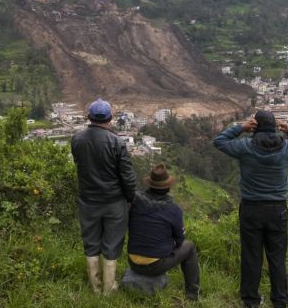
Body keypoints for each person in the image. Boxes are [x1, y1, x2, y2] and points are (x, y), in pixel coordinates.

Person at [213, 110, 288, 308]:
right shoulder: (287, 148)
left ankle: (250, 301)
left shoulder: (245, 146)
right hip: (277, 209)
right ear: (275, 126)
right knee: (277, 257)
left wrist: (241, 128)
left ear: (255, 125)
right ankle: (280, 301)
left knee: (251, 257)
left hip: (250, 208)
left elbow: (219, 140)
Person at [71, 98, 136, 295]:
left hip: (88, 201)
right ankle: (109, 289)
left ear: (89, 117)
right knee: (112, 243)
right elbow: (127, 176)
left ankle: (96, 287)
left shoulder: (77, 139)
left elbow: (79, 164)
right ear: (110, 118)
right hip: (114, 202)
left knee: (90, 242)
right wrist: (130, 198)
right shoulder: (116, 142)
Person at [127, 163, 200, 300]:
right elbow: (179, 241)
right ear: (168, 187)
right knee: (189, 247)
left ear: (150, 184)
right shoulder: (173, 209)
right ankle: (192, 294)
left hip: (132, 261)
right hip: (155, 266)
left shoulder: (135, 200)